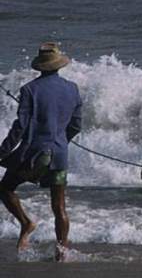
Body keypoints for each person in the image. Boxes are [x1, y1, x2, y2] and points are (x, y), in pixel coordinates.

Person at [0, 43, 83, 260]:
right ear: (58, 65)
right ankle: (62, 252)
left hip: (34, 155)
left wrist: (3, 151)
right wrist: (62, 141)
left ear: (40, 66)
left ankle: (26, 223)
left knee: (5, 188)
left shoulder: (29, 90)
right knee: (59, 206)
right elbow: (76, 126)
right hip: (60, 154)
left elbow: (20, 127)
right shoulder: (72, 88)